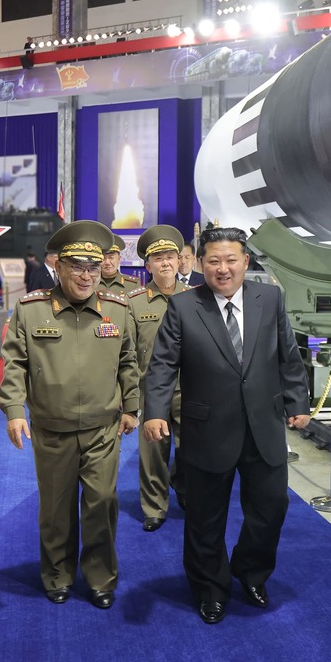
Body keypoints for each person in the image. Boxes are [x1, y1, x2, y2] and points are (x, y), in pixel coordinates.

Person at [143, 226, 311, 625]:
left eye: (231, 260)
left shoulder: (270, 298)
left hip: (263, 426)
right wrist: (155, 411)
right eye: (214, 261)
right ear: (200, 264)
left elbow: (288, 355)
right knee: (205, 518)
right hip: (207, 429)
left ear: (245, 262)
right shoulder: (183, 306)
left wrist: (298, 401)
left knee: (271, 508)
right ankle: (210, 589)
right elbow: (162, 364)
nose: (223, 269)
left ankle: (251, 572)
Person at [0, 219, 140, 609]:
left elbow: (128, 361)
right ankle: (58, 575)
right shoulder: (31, 309)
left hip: (102, 429)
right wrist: (14, 409)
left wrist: (132, 405)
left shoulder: (117, 309)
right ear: (58, 266)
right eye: (76, 266)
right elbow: (15, 363)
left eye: (93, 267)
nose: (86, 275)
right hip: (52, 430)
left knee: (102, 504)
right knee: (56, 509)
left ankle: (100, 578)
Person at [126, 225, 191, 533]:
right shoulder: (134, 302)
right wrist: (128, 397)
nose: (165, 263)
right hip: (151, 391)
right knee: (153, 454)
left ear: (179, 261)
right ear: (148, 265)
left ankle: (182, 484)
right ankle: (154, 507)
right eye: (158, 258)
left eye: (170, 257)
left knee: (192, 450)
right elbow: (127, 352)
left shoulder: (195, 298)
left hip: (190, 389)